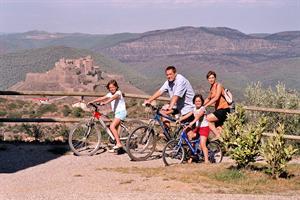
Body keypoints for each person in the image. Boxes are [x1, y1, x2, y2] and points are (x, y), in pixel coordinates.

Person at [88, 80, 127, 152]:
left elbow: (113, 98)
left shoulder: (118, 92)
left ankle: (119, 144)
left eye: (113, 87)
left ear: (116, 87)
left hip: (121, 113)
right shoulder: (109, 94)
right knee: (115, 131)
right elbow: (102, 98)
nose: (112, 89)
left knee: (112, 126)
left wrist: (105, 102)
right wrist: (93, 101)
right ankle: (118, 146)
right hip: (117, 113)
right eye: (110, 87)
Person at [179, 94, 210, 163]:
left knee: (202, 144)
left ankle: (206, 160)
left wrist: (192, 123)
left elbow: (198, 116)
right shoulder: (194, 109)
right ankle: (192, 157)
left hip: (204, 128)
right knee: (191, 139)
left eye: (199, 101)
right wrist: (180, 119)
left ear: (202, 102)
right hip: (198, 128)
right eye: (196, 101)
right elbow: (188, 114)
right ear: (194, 102)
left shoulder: (203, 109)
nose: (198, 102)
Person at [204, 71, 230, 138]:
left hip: (224, 110)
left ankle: (217, 135)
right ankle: (221, 146)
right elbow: (208, 98)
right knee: (219, 129)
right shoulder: (211, 88)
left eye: (212, 77)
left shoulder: (219, 85)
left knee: (206, 119)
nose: (211, 79)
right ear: (207, 79)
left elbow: (216, 97)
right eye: (209, 78)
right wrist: (200, 105)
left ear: (215, 78)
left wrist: (205, 106)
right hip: (219, 110)